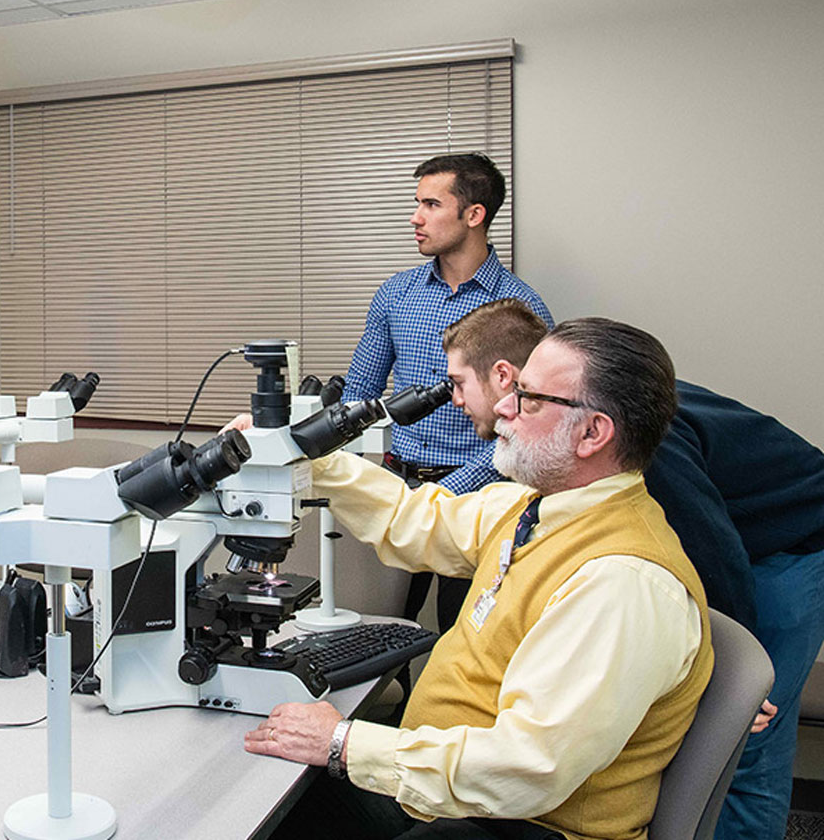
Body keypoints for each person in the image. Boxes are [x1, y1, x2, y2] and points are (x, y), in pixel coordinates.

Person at [246, 317, 712, 840]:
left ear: (592, 432)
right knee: (266, 799)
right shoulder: (537, 509)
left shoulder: (622, 582)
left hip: (522, 824)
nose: (504, 408)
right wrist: (297, 459)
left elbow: (529, 767)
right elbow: (416, 521)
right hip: (454, 795)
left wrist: (344, 743)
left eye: (529, 399)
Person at [436, 298, 824, 840]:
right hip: (733, 526)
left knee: (749, 736)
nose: (451, 401)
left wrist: (725, 678)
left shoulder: (638, 443)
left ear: (507, 377)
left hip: (792, 537)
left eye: (456, 384)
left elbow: (717, 551)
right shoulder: (565, 428)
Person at [342, 153, 553, 631]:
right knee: (381, 629)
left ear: (473, 214)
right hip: (401, 487)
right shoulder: (396, 294)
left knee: (463, 633)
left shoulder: (520, 310)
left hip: (482, 499)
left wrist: (445, 492)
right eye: (417, 203)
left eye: (431, 204)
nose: (416, 218)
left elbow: (529, 422)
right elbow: (359, 395)